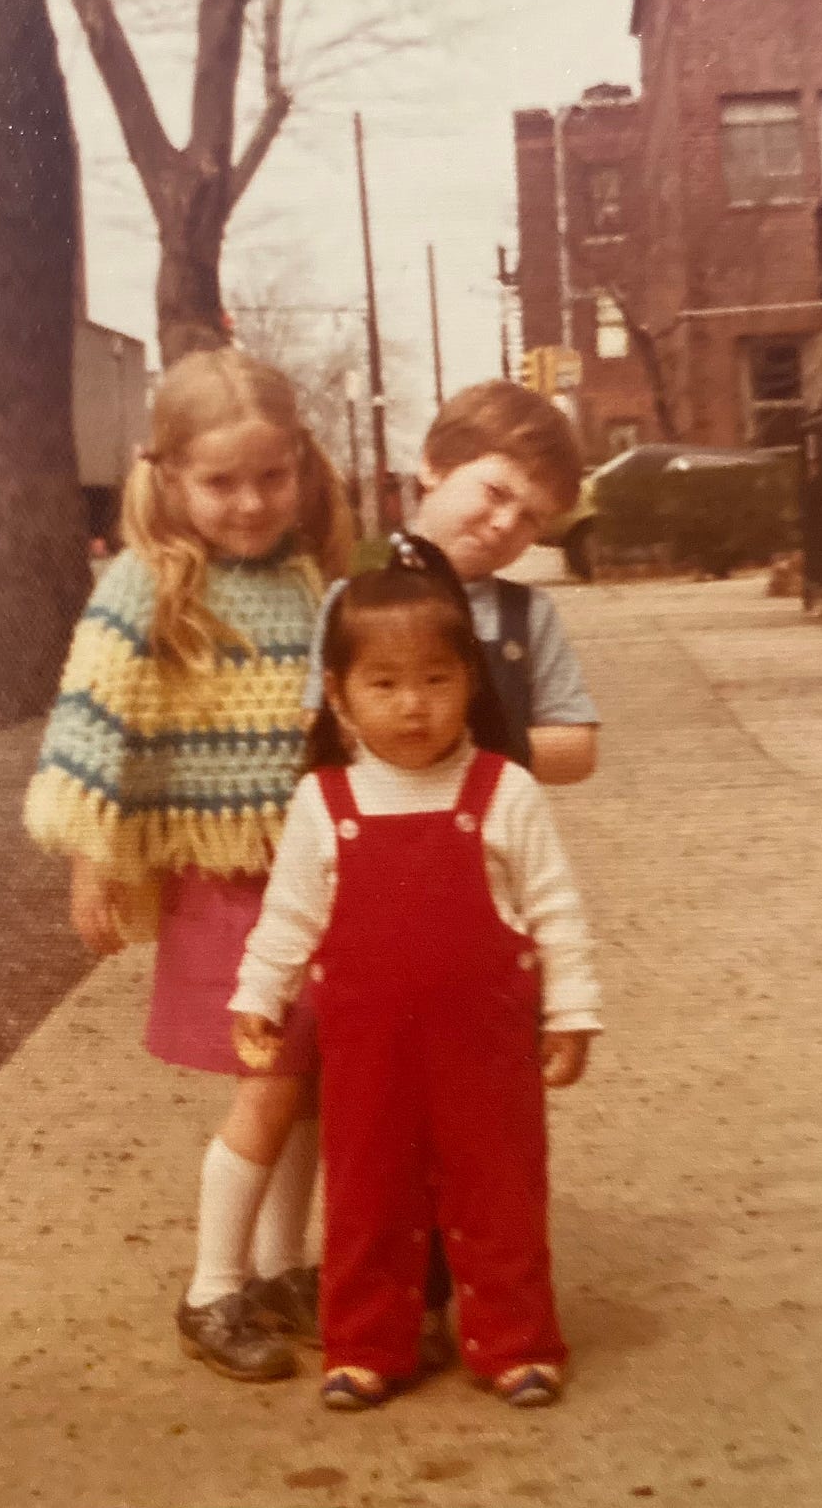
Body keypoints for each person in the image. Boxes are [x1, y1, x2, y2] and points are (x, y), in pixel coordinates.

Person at [23, 350, 355, 1384]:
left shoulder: (312, 576)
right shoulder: (146, 582)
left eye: (272, 475)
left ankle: (279, 1266)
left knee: (310, 1080)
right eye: (221, 482)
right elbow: (93, 722)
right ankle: (211, 1285)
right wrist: (95, 861)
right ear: (167, 478)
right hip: (222, 877)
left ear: (301, 465)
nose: (250, 502)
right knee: (268, 1078)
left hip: (313, 876)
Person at [231, 544, 601, 1410]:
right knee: (365, 1194)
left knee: (502, 1191)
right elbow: (287, 918)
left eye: (436, 679)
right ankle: (365, 1343)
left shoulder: (503, 790)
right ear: (340, 693)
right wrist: (258, 994)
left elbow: (557, 912)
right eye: (385, 684)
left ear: (470, 680)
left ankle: (515, 1340)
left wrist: (573, 1011)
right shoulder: (324, 803)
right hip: (368, 1052)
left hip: (489, 1048)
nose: (412, 705)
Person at [305, 380, 601, 1361]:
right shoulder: (357, 591)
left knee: (483, 1119)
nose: (507, 523)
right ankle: (395, 1304)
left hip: (484, 879)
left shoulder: (523, 614)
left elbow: (577, 744)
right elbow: (326, 736)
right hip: (379, 879)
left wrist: (486, 750)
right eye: (494, 490)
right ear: (432, 466)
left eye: (532, 516)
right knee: (378, 1125)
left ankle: (497, 1310)